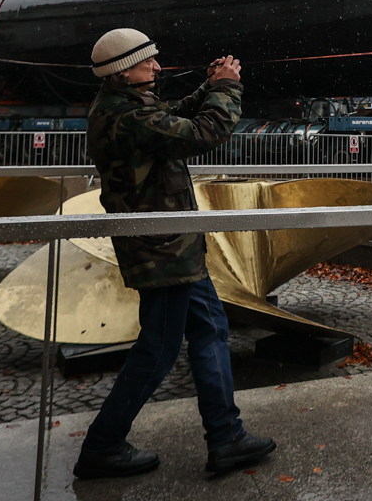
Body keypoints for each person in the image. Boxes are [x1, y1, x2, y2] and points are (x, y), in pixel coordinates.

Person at [74, 29, 276, 480]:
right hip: (162, 252)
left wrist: (207, 87)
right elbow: (205, 132)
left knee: (210, 329)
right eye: (146, 61)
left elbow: (171, 118)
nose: (156, 66)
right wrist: (227, 88)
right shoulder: (127, 116)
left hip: (172, 248)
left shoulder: (126, 107)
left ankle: (226, 438)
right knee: (158, 350)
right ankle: (102, 446)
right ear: (123, 71)